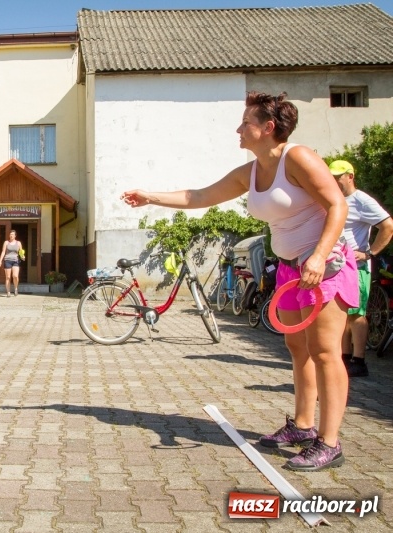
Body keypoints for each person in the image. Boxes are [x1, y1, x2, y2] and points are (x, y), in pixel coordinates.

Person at [121, 91, 357, 472]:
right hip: (290, 270)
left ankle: (330, 443)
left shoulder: (298, 157)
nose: (238, 129)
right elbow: (200, 195)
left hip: (323, 265)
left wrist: (317, 255)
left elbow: (338, 204)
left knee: (326, 352)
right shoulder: (251, 172)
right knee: (298, 349)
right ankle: (302, 426)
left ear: (267, 128)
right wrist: (150, 196)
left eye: (245, 123)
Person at [331, 160, 393, 377]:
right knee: (341, 313)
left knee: (356, 313)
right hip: (337, 266)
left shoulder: (361, 200)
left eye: (339, 176)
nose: (335, 180)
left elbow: (388, 226)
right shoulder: (334, 199)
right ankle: (345, 358)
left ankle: (359, 361)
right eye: (332, 176)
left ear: (350, 176)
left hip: (357, 267)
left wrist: (370, 253)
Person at [0, 230, 23, 297]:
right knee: (8, 277)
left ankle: (16, 288)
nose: (11, 235)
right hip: (7, 260)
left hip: (16, 260)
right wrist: (0, 261)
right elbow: (3, 252)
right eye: (10, 234)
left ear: (15, 236)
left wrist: (23, 256)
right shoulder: (6, 242)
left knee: (15, 276)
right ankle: (8, 292)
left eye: (12, 234)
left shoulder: (18, 243)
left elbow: (21, 252)